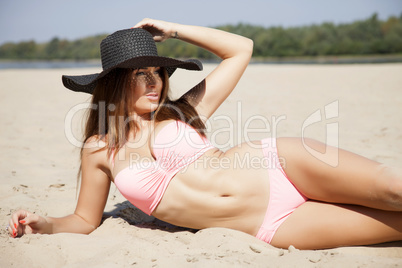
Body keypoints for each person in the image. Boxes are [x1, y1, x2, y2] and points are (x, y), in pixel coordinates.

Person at [7, 18, 402, 250]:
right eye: (140, 75)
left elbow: (241, 49)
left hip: (282, 165)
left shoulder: (184, 110)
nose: (154, 83)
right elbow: (84, 219)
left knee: (393, 190)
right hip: (269, 226)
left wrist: (175, 30)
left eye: (158, 72)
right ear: (112, 84)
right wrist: (46, 224)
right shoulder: (98, 149)